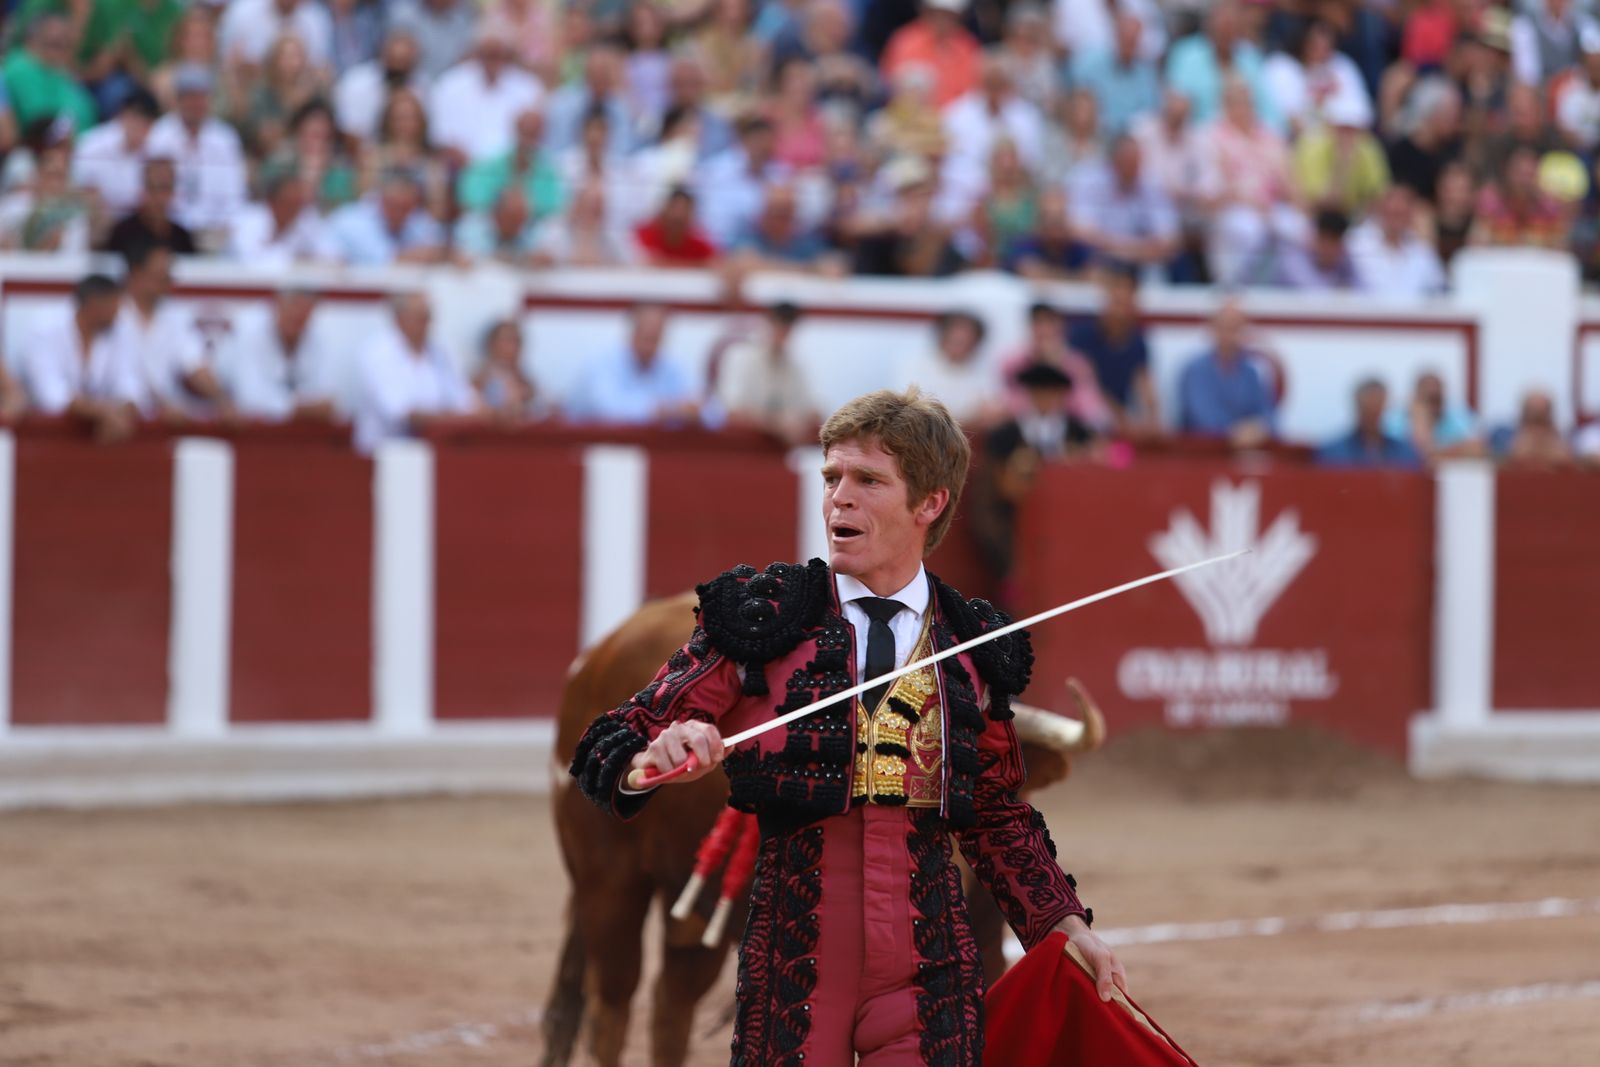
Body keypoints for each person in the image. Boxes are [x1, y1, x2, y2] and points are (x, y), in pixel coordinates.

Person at [570, 388, 1122, 1065]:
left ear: (929, 503)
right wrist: (659, 750)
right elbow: (614, 741)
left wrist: (1066, 925)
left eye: (867, 480)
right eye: (833, 477)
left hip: (930, 976)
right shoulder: (765, 618)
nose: (839, 497)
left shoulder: (973, 646)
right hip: (797, 971)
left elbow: (999, 813)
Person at [110, 243, 229, 420]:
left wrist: (222, 400)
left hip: (164, 419)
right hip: (115, 416)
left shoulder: (176, 317)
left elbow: (196, 365)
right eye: (161, 277)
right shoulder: (109, 314)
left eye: (168, 276)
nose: (167, 283)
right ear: (136, 274)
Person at [19, 273, 141, 441]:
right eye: (115, 304)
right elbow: (51, 395)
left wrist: (121, 413)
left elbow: (129, 382)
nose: (119, 311)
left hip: (105, 428)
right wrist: (103, 412)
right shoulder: (45, 329)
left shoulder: (119, 329)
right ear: (95, 305)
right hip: (45, 437)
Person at [352, 291, 479, 453]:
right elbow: (402, 413)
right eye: (419, 317)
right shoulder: (376, 352)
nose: (426, 323)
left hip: (435, 449)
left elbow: (464, 400)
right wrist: (456, 418)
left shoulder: (440, 352)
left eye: (428, 317)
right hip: (383, 452)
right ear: (399, 319)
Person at [145, 65, 248, 247]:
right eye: (191, 97)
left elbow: (235, 196)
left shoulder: (225, 139)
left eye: (202, 97)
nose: (197, 104)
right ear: (178, 100)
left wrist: (222, 226)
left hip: (216, 231)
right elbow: (154, 189)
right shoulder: (160, 135)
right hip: (172, 228)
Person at [562, 303, 700, 425]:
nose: (651, 345)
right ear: (632, 332)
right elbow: (609, 409)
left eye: (657, 338)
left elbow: (708, 411)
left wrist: (693, 410)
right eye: (648, 337)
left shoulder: (672, 366)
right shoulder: (601, 364)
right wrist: (667, 410)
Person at [224, 289, 343, 422]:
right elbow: (248, 397)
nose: (298, 312)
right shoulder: (249, 328)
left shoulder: (318, 333)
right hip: (250, 431)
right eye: (294, 304)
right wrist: (297, 408)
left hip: (299, 432)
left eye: (305, 308)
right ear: (277, 304)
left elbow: (327, 399)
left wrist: (288, 406)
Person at [1067, 266, 1160, 436]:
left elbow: (1144, 383)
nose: (1120, 311)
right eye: (1117, 301)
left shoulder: (1137, 341)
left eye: (1126, 302)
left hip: (1117, 422)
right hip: (1081, 421)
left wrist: (1153, 418)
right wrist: (1123, 419)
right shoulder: (1081, 335)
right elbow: (1087, 384)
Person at [713, 301, 820, 444]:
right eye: (778, 327)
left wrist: (798, 421)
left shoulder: (794, 365)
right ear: (766, 325)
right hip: (742, 447)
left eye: (787, 330)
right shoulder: (739, 357)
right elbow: (731, 412)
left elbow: (813, 410)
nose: (782, 335)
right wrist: (776, 424)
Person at [1177, 299, 1276, 446]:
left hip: (1244, 452)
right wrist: (1237, 431)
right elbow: (1203, 418)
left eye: (1235, 328)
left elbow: (1268, 414)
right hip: (1202, 454)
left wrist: (1257, 429)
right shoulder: (1196, 370)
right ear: (1212, 329)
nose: (1229, 335)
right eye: (1224, 328)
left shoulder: (1250, 372)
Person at [891, 311, 1004, 426]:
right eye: (957, 341)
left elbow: (993, 408)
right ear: (943, 337)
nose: (962, 348)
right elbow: (914, 409)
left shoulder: (983, 369)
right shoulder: (915, 365)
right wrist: (971, 415)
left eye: (968, 342)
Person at [71, 87, 161, 222]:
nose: (139, 127)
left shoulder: (156, 149)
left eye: (146, 123)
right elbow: (77, 188)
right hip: (98, 221)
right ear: (123, 115)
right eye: (135, 118)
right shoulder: (92, 145)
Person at [321, 170, 446, 265]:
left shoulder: (419, 220)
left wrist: (444, 254)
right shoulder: (348, 221)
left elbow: (437, 246)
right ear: (381, 199)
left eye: (406, 207)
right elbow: (382, 262)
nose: (400, 213)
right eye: (394, 205)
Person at [227, 166, 327, 267]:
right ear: (272, 200)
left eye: (300, 202)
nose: (296, 208)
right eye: (290, 201)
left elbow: (325, 255)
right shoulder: (249, 220)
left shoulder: (305, 219)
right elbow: (249, 262)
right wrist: (295, 260)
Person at [1316, 378, 1424, 467]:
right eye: (1368, 408)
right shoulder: (1332, 453)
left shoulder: (1405, 453)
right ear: (1357, 406)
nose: (1373, 413)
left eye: (1377, 407)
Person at [102, 157, 197, 257]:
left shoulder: (181, 237)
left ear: (173, 192)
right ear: (143, 190)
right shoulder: (122, 233)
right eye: (152, 188)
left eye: (164, 188)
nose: (158, 197)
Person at [1383, 370, 1482, 461]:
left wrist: (1433, 454)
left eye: (1437, 398)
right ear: (1416, 396)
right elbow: (1399, 455)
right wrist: (1420, 419)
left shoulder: (1457, 416)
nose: (1433, 406)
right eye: (1429, 398)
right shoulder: (1395, 420)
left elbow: (1477, 448)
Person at [473, 318, 537, 420]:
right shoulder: (480, 379)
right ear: (491, 344)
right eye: (508, 341)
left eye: (517, 341)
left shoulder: (525, 379)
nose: (513, 347)